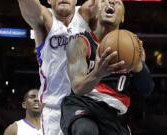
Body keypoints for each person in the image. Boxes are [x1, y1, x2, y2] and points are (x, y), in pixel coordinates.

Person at [60, 0, 155, 134]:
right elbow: (77, 88)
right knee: (86, 130)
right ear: (97, 11)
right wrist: (98, 73)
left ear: (123, 17)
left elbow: (147, 89)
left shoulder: (133, 48)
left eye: (118, 2)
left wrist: (137, 65)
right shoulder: (80, 43)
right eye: (104, 0)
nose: (111, 2)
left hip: (114, 113)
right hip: (83, 104)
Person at [17, 0, 99, 134]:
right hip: (54, 110)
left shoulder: (86, 13)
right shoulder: (44, 18)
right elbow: (28, 5)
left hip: (84, 106)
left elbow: (109, 6)